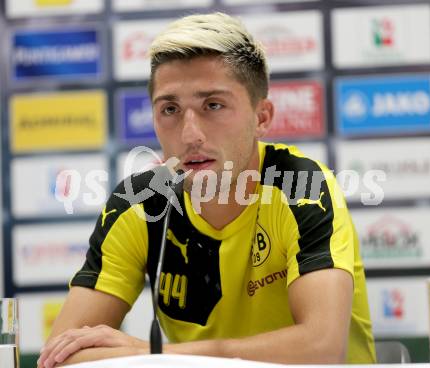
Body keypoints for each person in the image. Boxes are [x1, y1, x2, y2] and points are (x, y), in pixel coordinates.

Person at [37, 12, 376, 368]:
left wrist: (150, 355)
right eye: (170, 109)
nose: (190, 135)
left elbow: (321, 348)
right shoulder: (140, 202)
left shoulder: (302, 187)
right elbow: (61, 354)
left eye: (213, 105)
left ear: (262, 117)